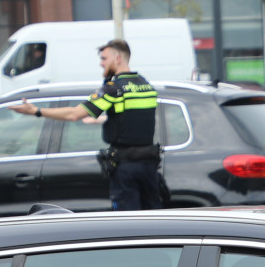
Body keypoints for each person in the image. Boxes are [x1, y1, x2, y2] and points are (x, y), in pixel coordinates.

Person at [10, 40, 163, 211]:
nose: (101, 63)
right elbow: (135, 118)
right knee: (152, 216)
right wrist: (104, 120)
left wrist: (36, 111)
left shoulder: (114, 89)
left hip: (126, 168)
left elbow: (74, 114)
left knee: (127, 221)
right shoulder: (146, 86)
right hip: (149, 166)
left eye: (104, 58)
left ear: (118, 58)